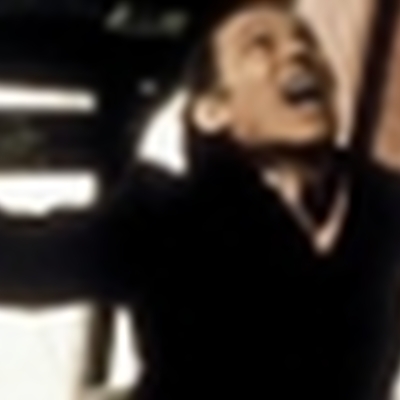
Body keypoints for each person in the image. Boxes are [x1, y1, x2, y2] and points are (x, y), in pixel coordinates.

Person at [131, 2, 400, 400]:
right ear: (213, 111)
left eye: (307, 40)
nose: (297, 51)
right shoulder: (169, 218)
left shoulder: (382, 204)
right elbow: (44, 256)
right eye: (259, 46)